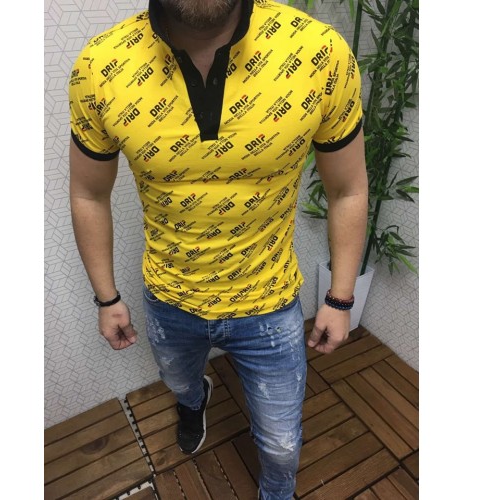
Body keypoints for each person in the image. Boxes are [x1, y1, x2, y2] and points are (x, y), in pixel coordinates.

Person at [68, 0, 368, 498]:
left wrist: (339, 298)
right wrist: (106, 297)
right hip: (169, 300)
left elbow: (348, 188)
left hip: (270, 303)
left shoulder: (318, 51)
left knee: (281, 446)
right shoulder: (102, 65)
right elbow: (88, 194)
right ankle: (194, 401)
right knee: (180, 384)